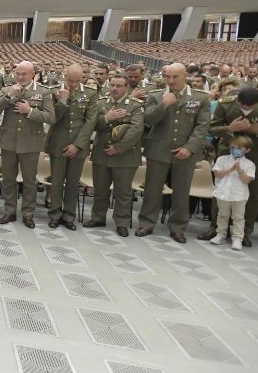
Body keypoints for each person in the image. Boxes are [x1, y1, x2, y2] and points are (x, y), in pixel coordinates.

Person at [136, 63, 211, 243]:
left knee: (182, 191)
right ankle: (146, 223)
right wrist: (164, 105)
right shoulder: (156, 95)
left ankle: (178, 227)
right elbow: (149, 120)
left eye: (175, 77)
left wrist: (189, 148)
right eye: (167, 76)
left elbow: (202, 126)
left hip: (185, 152)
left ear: (185, 76)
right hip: (158, 150)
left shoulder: (200, 98)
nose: (171, 80)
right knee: (152, 190)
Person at [0, 61, 54, 228]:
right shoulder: (7, 90)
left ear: (33, 74)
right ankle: (9, 211)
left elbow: (50, 117)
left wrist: (30, 111)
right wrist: (8, 96)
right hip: (9, 141)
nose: (20, 77)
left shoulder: (43, 92)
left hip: (31, 143)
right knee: (8, 179)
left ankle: (28, 214)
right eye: (17, 74)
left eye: (24, 74)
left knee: (29, 181)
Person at [87, 76, 144, 236]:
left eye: (118, 86)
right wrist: (106, 118)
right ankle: (98, 217)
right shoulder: (101, 103)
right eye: (112, 85)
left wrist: (118, 148)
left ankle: (121, 222)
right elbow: (91, 125)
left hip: (124, 156)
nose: (114, 88)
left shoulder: (135, 106)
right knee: (100, 190)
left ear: (126, 87)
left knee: (123, 192)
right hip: (102, 153)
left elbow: (136, 129)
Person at [45, 64, 98, 230]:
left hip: (78, 145)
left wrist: (77, 145)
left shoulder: (90, 93)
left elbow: (90, 121)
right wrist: (62, 100)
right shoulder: (54, 91)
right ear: (64, 77)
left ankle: (69, 216)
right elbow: (53, 118)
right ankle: (54, 214)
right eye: (70, 80)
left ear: (82, 77)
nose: (73, 84)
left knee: (73, 183)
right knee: (57, 182)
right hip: (58, 143)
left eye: (77, 80)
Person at [209, 135, 255, 250]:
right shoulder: (222, 159)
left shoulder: (249, 164)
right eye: (233, 147)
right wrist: (231, 169)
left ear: (247, 150)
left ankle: (237, 238)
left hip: (239, 195)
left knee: (238, 217)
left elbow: (247, 180)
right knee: (222, 215)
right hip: (223, 193)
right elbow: (217, 174)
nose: (235, 150)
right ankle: (220, 234)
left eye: (240, 148)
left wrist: (239, 170)